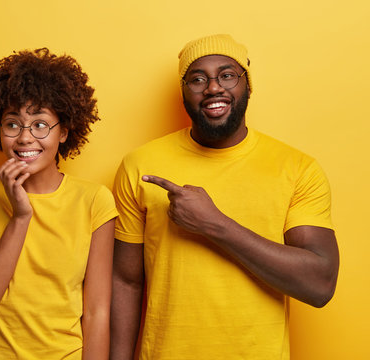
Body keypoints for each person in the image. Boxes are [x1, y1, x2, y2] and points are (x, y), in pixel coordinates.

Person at [110, 34, 340, 359]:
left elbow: (320, 285)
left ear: (248, 85)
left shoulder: (297, 169)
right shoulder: (140, 165)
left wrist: (215, 224)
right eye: (197, 78)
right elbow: (126, 281)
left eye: (227, 75)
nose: (213, 88)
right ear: (183, 92)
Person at [0, 48, 117, 359]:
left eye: (40, 124)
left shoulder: (94, 201)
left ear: (65, 132)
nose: (25, 137)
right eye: (13, 124)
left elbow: (97, 312)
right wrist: (20, 217)